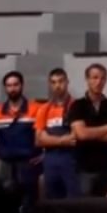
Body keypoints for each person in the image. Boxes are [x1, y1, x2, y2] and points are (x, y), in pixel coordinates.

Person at [0, 71, 42, 213]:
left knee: (29, 200)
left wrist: (43, 155)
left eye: (15, 85)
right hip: (4, 162)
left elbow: (47, 134)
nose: (12, 88)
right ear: (5, 88)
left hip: (28, 162)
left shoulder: (36, 109)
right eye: (9, 85)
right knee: (1, 197)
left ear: (22, 85)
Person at [68, 64, 107, 197]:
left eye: (102, 78)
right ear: (87, 79)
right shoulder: (78, 105)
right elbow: (81, 134)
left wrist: (91, 133)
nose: (99, 82)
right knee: (85, 206)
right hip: (85, 169)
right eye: (94, 78)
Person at [35, 68, 79, 199]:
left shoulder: (77, 106)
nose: (57, 85)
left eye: (61, 81)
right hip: (50, 161)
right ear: (50, 85)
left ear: (67, 82)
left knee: (75, 200)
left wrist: (49, 139)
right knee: (52, 201)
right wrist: (62, 141)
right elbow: (38, 140)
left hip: (72, 160)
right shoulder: (44, 109)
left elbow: (76, 137)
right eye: (53, 82)